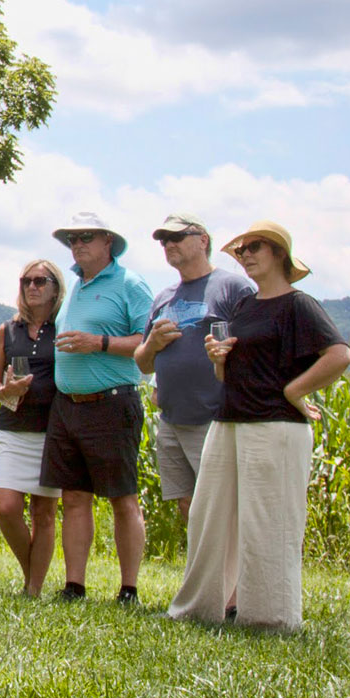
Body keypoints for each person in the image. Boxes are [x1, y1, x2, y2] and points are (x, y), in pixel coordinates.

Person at [169, 221, 350, 633]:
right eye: (242, 248)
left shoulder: (298, 305)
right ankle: (198, 609)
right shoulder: (245, 307)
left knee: (268, 523)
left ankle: (270, 619)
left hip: (275, 426)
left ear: (279, 255)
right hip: (229, 419)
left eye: (255, 247)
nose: (246, 254)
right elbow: (227, 376)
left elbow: (339, 355)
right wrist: (219, 359)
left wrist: (295, 390)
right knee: (207, 517)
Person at [42, 211, 153, 605]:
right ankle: (75, 586)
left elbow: (148, 341)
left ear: (109, 241)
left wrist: (99, 343)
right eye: (71, 238)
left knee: (122, 497)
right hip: (67, 405)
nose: (77, 244)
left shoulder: (130, 283)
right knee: (73, 497)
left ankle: (129, 589)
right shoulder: (77, 286)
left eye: (86, 237)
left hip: (111, 403)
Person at [134, 213, 255, 528]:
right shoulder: (163, 297)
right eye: (164, 240)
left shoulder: (233, 287)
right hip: (172, 420)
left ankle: (228, 576)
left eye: (176, 237)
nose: (168, 244)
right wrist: (152, 345)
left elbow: (257, 347)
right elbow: (143, 363)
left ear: (203, 240)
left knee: (221, 506)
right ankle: (204, 573)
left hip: (215, 417)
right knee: (188, 505)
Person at [0, 259, 65, 597]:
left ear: (55, 288)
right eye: (26, 281)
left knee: (44, 512)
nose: (32, 286)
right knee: (6, 507)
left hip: (52, 431)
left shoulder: (64, 327)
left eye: (40, 281)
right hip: (12, 428)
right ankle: (29, 572)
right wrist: (5, 391)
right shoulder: (8, 329)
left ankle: (33, 589)